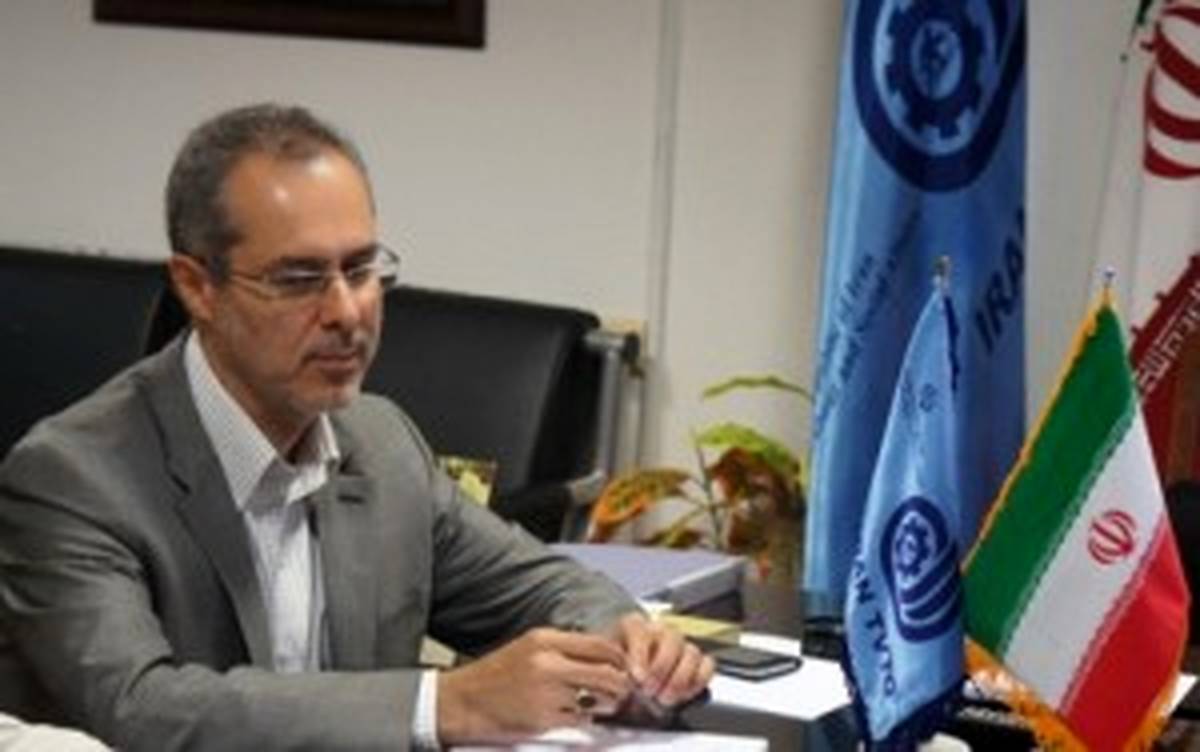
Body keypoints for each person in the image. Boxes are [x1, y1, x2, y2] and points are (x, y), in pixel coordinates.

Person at [0, 103, 712, 751]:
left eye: (362, 268)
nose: (346, 312)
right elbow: (139, 710)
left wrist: (627, 639)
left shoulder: (379, 440)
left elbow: (543, 589)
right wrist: (447, 703)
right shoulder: (73, 478)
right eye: (299, 278)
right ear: (197, 287)